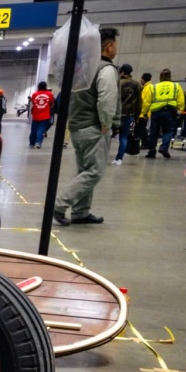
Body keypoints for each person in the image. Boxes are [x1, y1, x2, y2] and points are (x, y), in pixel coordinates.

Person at [53, 26, 120, 226]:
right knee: (95, 171)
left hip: (77, 126)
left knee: (85, 169)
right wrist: (106, 124)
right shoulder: (106, 69)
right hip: (94, 127)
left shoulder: (83, 68)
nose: (116, 49)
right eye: (115, 45)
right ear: (108, 47)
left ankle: (81, 212)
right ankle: (59, 204)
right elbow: (107, 99)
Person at [143, 68, 184, 158]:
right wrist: (180, 110)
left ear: (160, 77)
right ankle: (164, 148)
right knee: (169, 131)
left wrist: (145, 113)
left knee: (154, 132)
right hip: (170, 112)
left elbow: (147, 102)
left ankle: (152, 151)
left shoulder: (154, 87)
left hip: (156, 112)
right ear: (170, 76)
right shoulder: (176, 86)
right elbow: (181, 100)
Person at [113, 64, 140, 165]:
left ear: (122, 72)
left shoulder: (118, 83)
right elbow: (139, 102)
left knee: (108, 135)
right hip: (129, 114)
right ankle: (119, 159)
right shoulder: (137, 84)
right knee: (124, 137)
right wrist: (137, 115)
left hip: (116, 114)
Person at [28, 81, 55, 148]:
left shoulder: (34, 94)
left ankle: (32, 143)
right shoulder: (49, 94)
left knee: (34, 130)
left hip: (36, 115)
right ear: (45, 86)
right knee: (41, 130)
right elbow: (51, 103)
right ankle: (38, 143)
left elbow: (34, 103)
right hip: (45, 115)